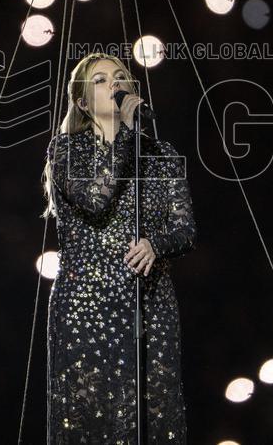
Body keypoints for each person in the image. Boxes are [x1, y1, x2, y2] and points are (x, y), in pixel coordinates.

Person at [41, 52, 197, 443]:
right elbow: (96, 198)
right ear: (82, 103)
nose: (113, 83)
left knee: (149, 419)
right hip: (86, 308)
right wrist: (126, 134)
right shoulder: (66, 151)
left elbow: (186, 230)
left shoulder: (161, 156)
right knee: (92, 422)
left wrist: (156, 244)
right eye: (100, 80)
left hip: (149, 305)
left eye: (119, 77)